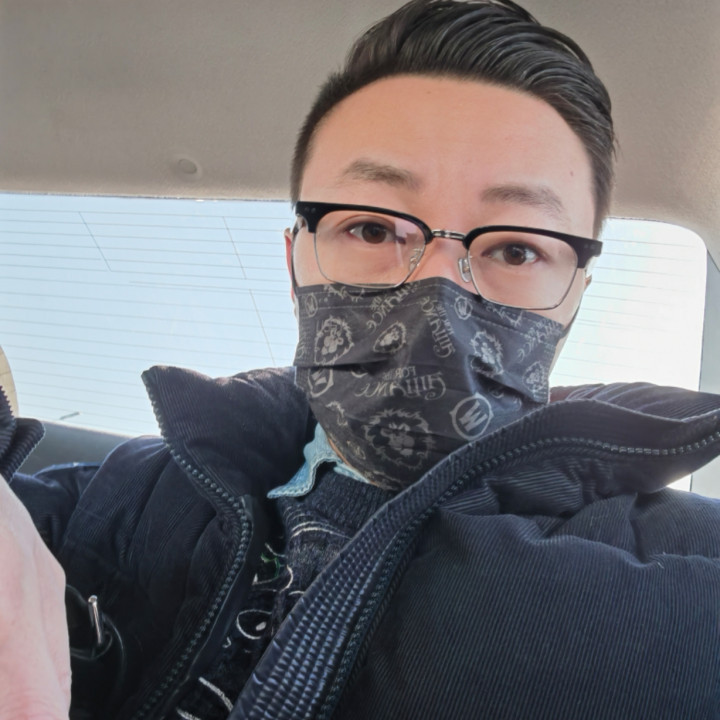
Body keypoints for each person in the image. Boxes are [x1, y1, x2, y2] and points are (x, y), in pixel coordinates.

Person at [2, 0, 720, 718]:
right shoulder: (125, 499)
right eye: (373, 228)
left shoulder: (680, 578)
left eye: (515, 248)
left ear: (574, 299)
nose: (438, 291)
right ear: (295, 266)